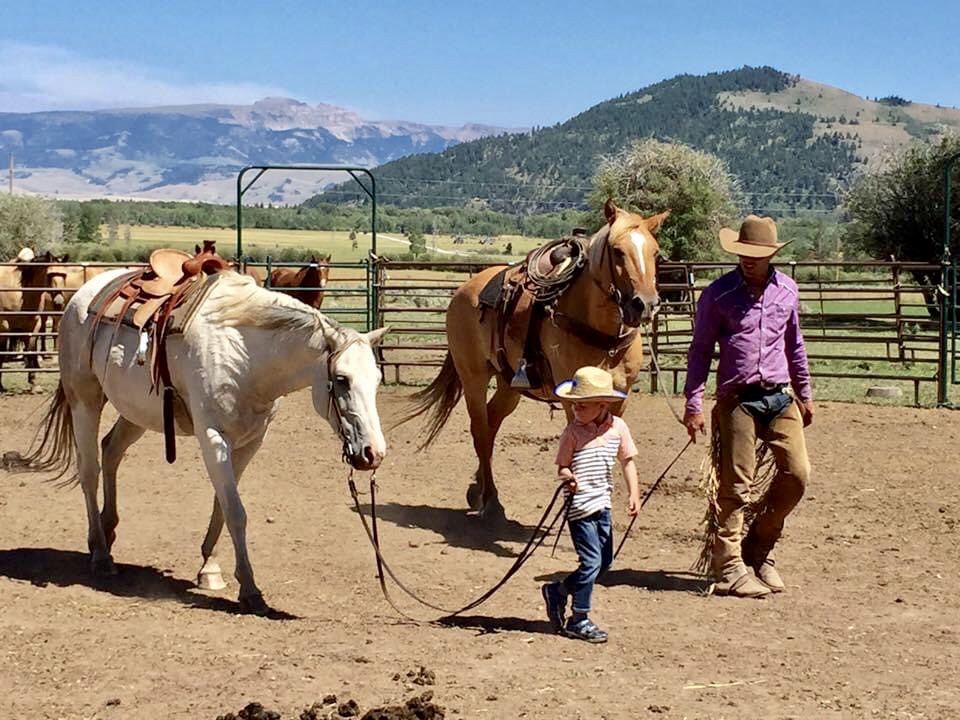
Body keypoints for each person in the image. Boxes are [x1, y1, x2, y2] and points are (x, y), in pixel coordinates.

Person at [683, 215, 814, 599]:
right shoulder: (718, 295)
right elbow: (701, 351)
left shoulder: (787, 291)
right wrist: (694, 404)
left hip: (779, 395)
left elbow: (795, 345)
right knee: (735, 486)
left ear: (771, 254)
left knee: (798, 474)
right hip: (737, 399)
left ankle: (759, 547)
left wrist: (804, 393)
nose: (748, 260)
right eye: (743, 254)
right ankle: (728, 566)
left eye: (756, 255)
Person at [541, 366, 640, 642]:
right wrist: (568, 476)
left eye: (583, 406)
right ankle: (579, 618)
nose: (576, 411)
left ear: (603, 404)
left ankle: (558, 591)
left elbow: (627, 461)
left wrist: (634, 493)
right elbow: (562, 465)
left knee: (603, 562)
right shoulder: (572, 433)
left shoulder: (618, 429)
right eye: (574, 405)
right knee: (591, 562)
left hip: (602, 505)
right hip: (580, 508)